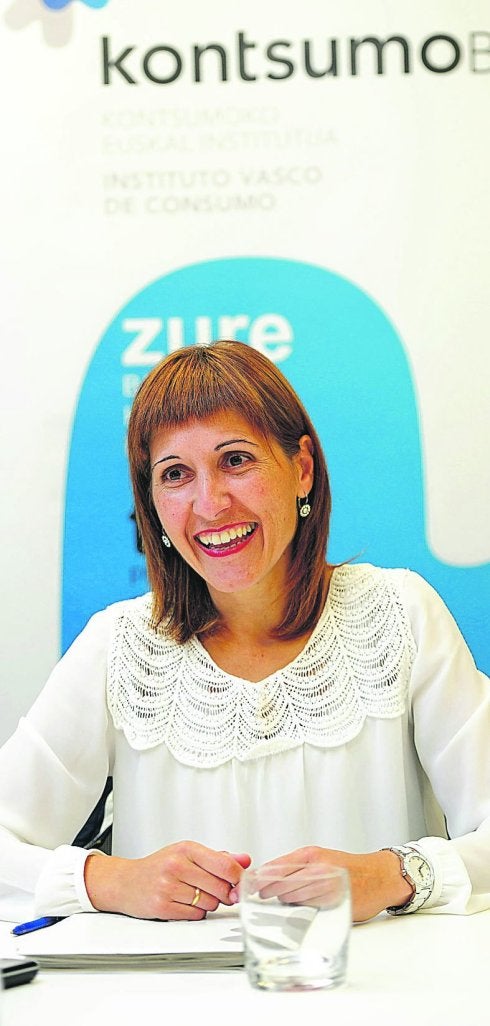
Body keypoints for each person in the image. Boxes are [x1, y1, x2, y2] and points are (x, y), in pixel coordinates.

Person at [0, 339, 489, 925]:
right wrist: (108, 879)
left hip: (375, 983)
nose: (210, 504)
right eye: (176, 474)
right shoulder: (118, 644)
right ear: (152, 505)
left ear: (301, 469)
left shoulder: (401, 612)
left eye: (235, 460)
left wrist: (395, 874)